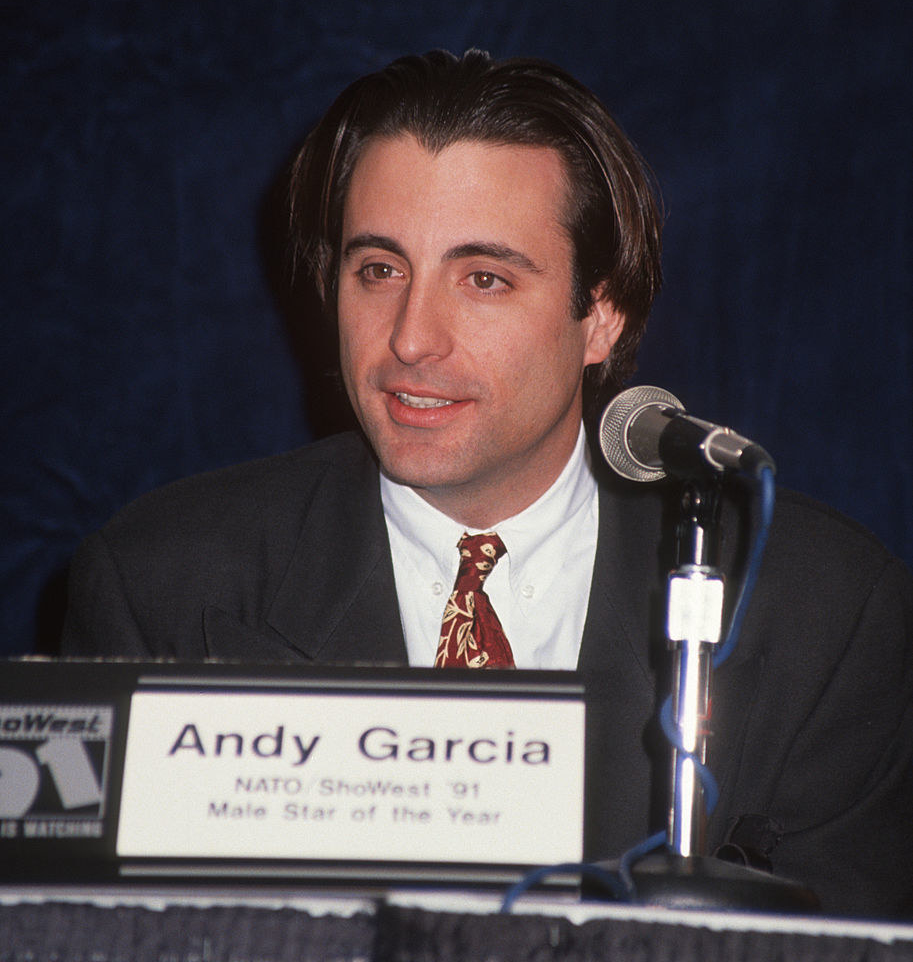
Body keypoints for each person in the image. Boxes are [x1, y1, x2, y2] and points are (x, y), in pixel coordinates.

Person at [61, 49, 912, 917]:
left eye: (483, 279)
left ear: (601, 316)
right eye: (379, 270)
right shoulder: (160, 588)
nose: (411, 338)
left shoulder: (824, 611)